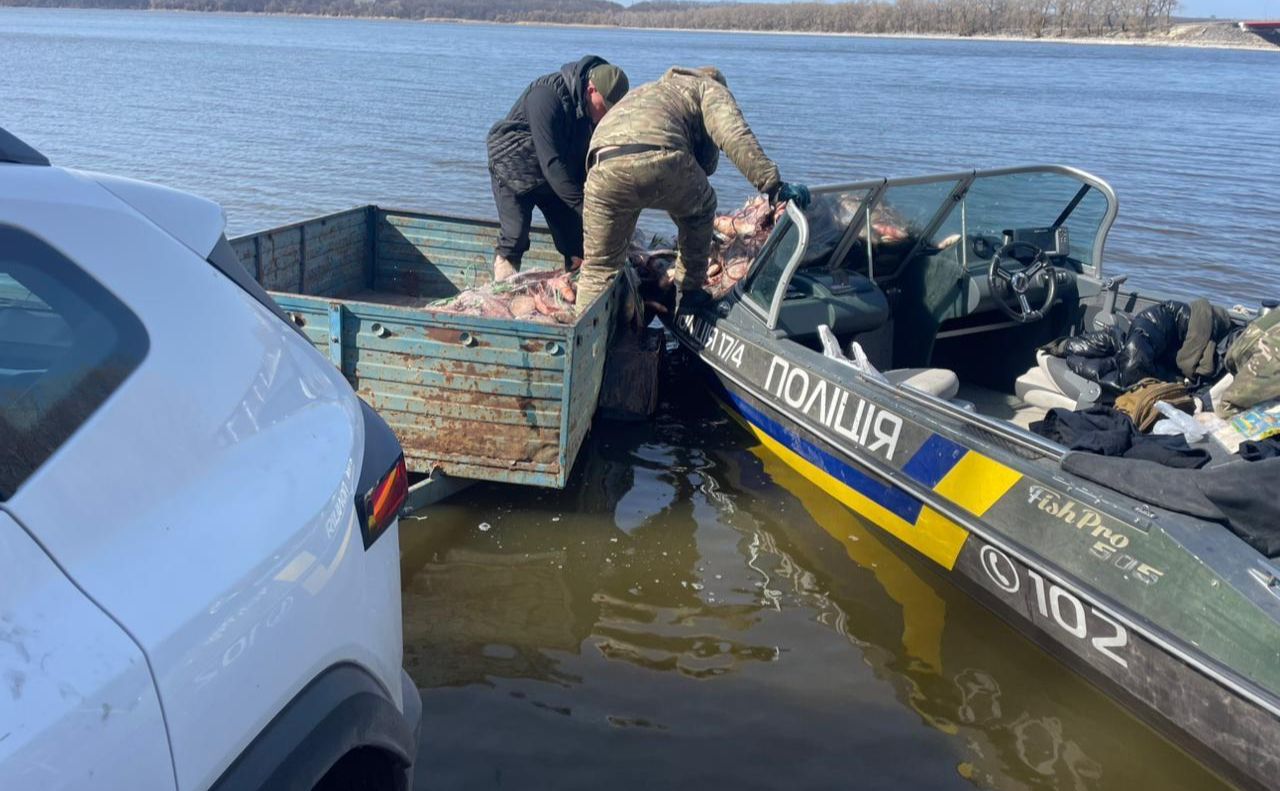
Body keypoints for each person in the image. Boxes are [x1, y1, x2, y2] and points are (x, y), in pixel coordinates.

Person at [575, 66, 809, 311]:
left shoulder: (650, 90)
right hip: (658, 156)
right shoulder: (709, 88)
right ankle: (689, 294)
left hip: (600, 167)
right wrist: (773, 185)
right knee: (701, 208)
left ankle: (583, 334)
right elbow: (733, 136)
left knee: (598, 267)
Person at [486, 55, 629, 281]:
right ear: (591, 90)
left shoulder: (589, 111)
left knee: (574, 239)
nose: (606, 115)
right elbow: (551, 163)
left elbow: (588, 163)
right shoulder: (545, 97)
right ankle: (503, 284)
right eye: (605, 107)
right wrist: (587, 208)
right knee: (515, 236)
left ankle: (577, 287)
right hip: (513, 168)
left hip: (552, 176)